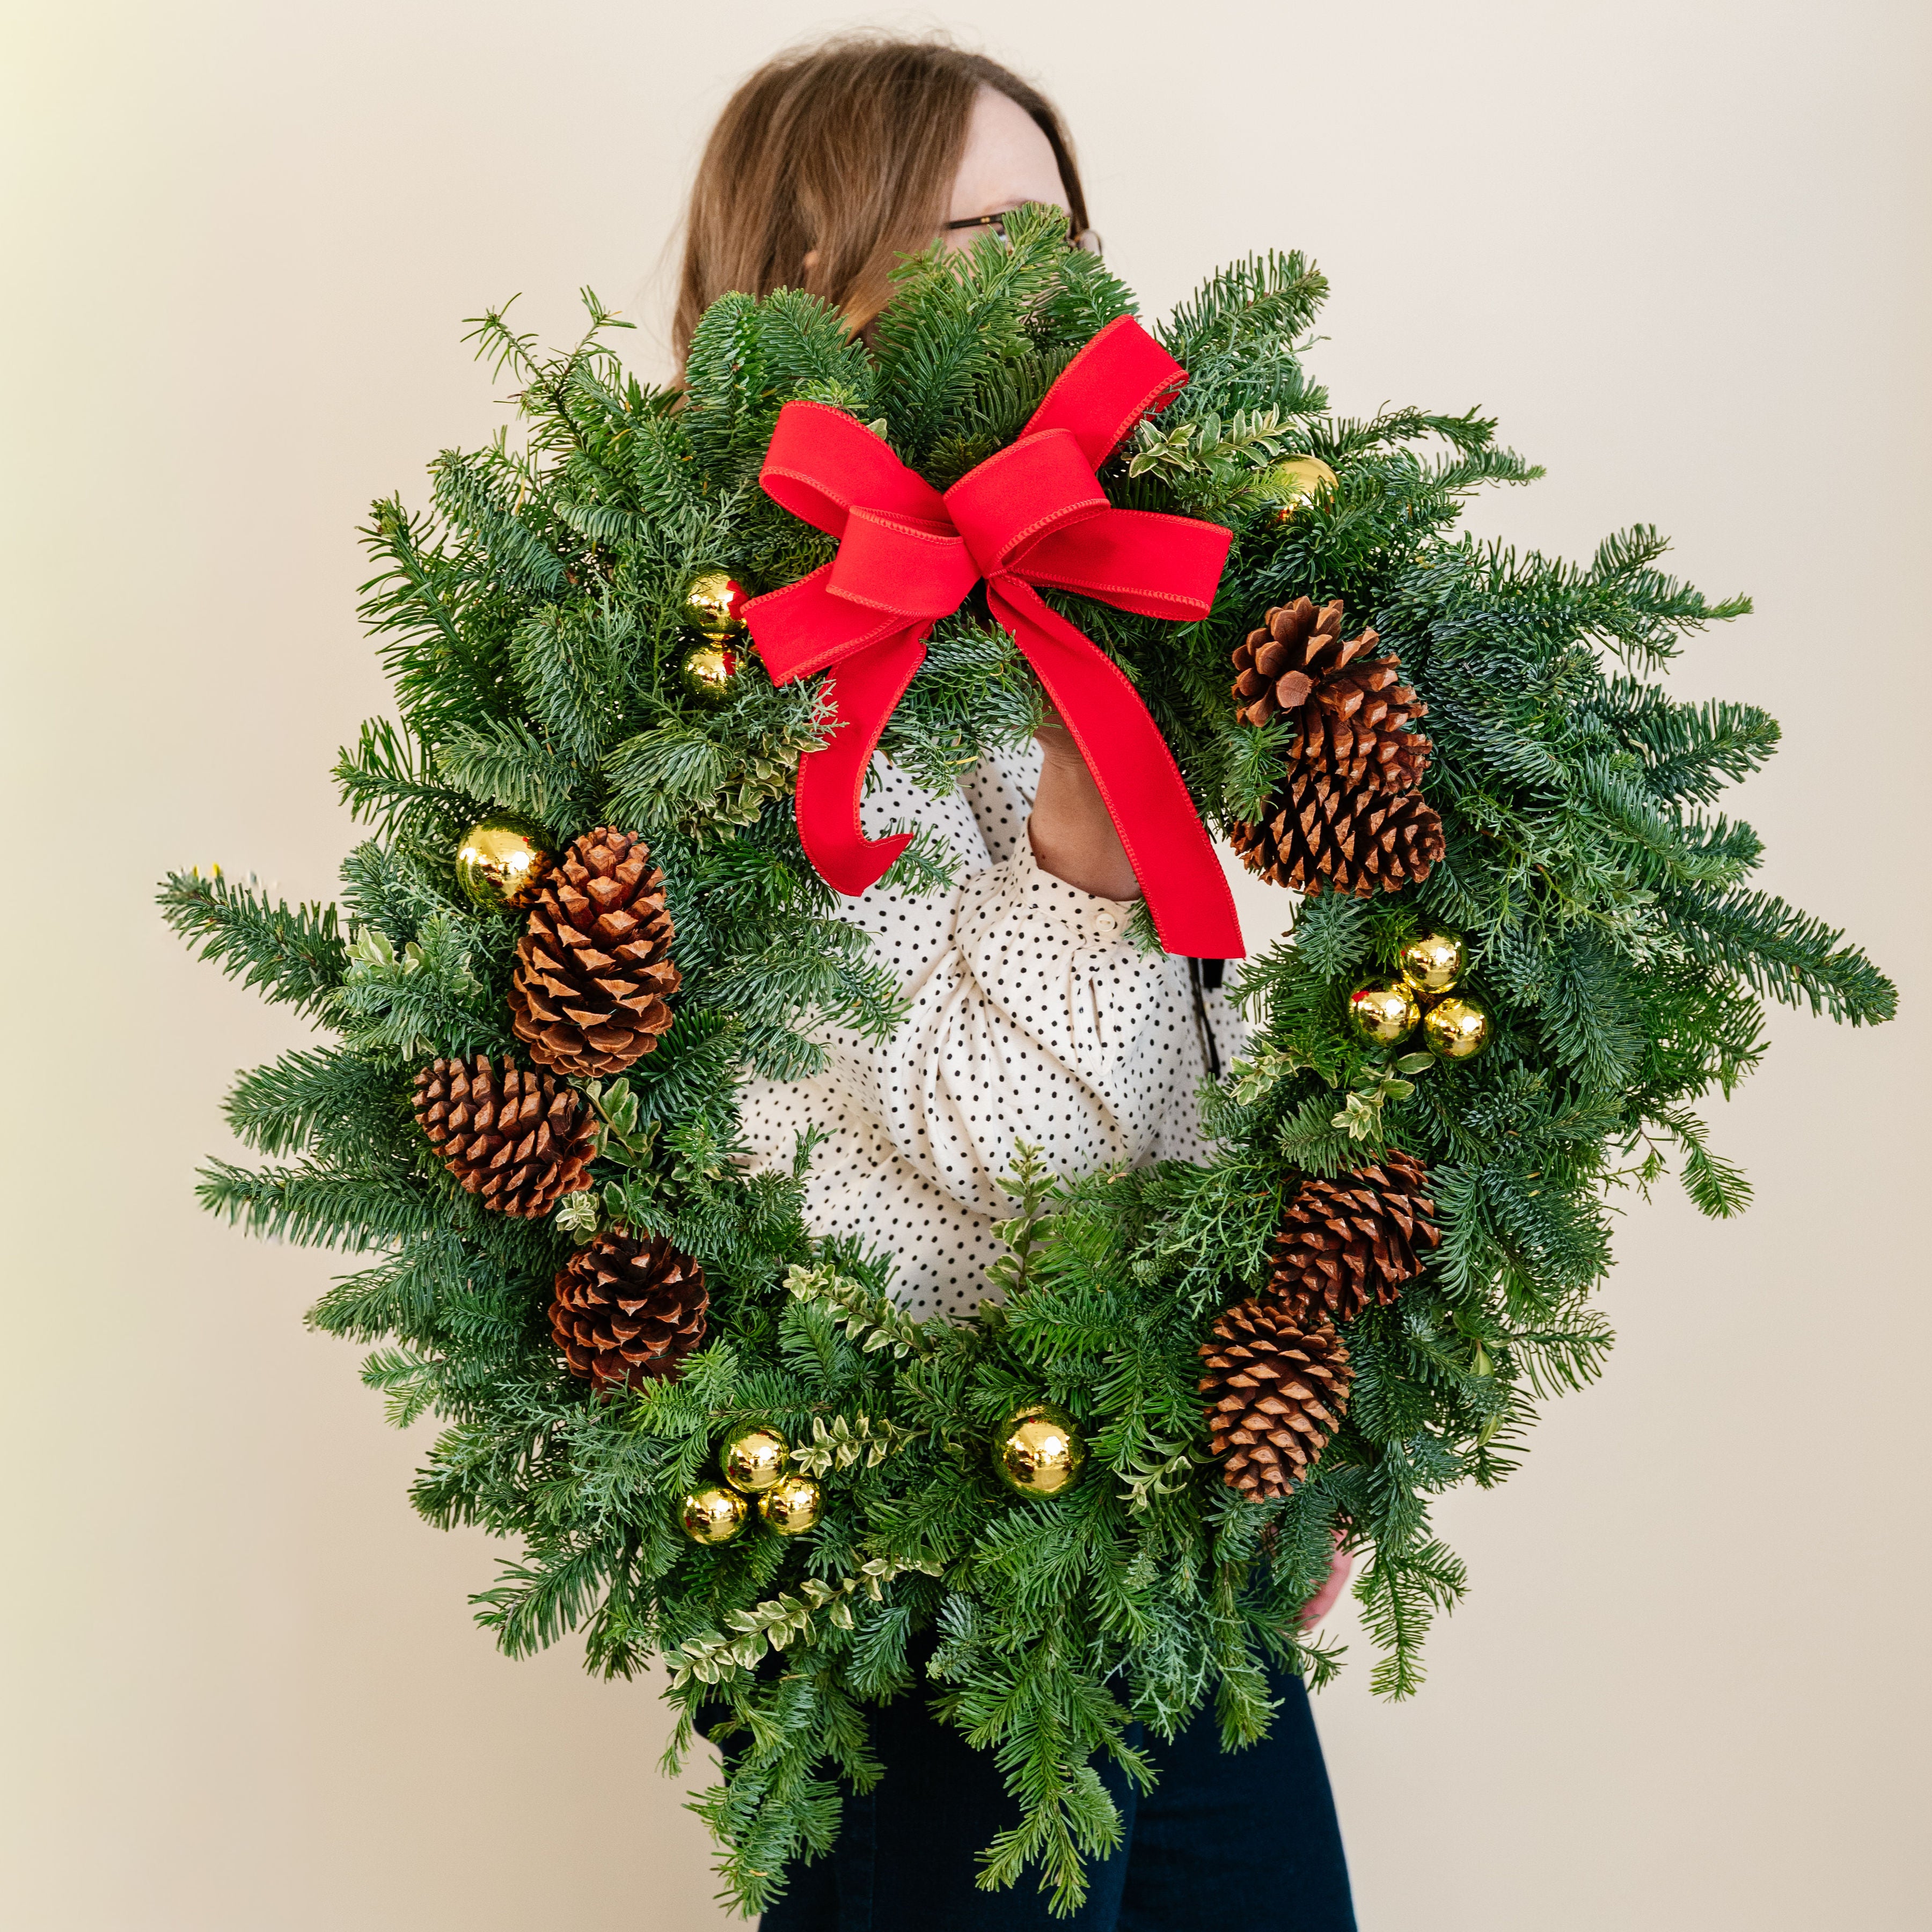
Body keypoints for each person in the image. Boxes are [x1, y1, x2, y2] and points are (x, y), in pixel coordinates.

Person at [675, 36, 1357, 1930]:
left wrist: (1290, 1414)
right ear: (810, 278)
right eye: (978, 233)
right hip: (905, 1581)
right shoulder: (745, 693)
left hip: (1173, 1548)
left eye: (1067, 232)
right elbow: (947, 1213)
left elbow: (1214, 1091)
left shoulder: (1089, 603)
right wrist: (1081, 835)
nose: (1051, 287)